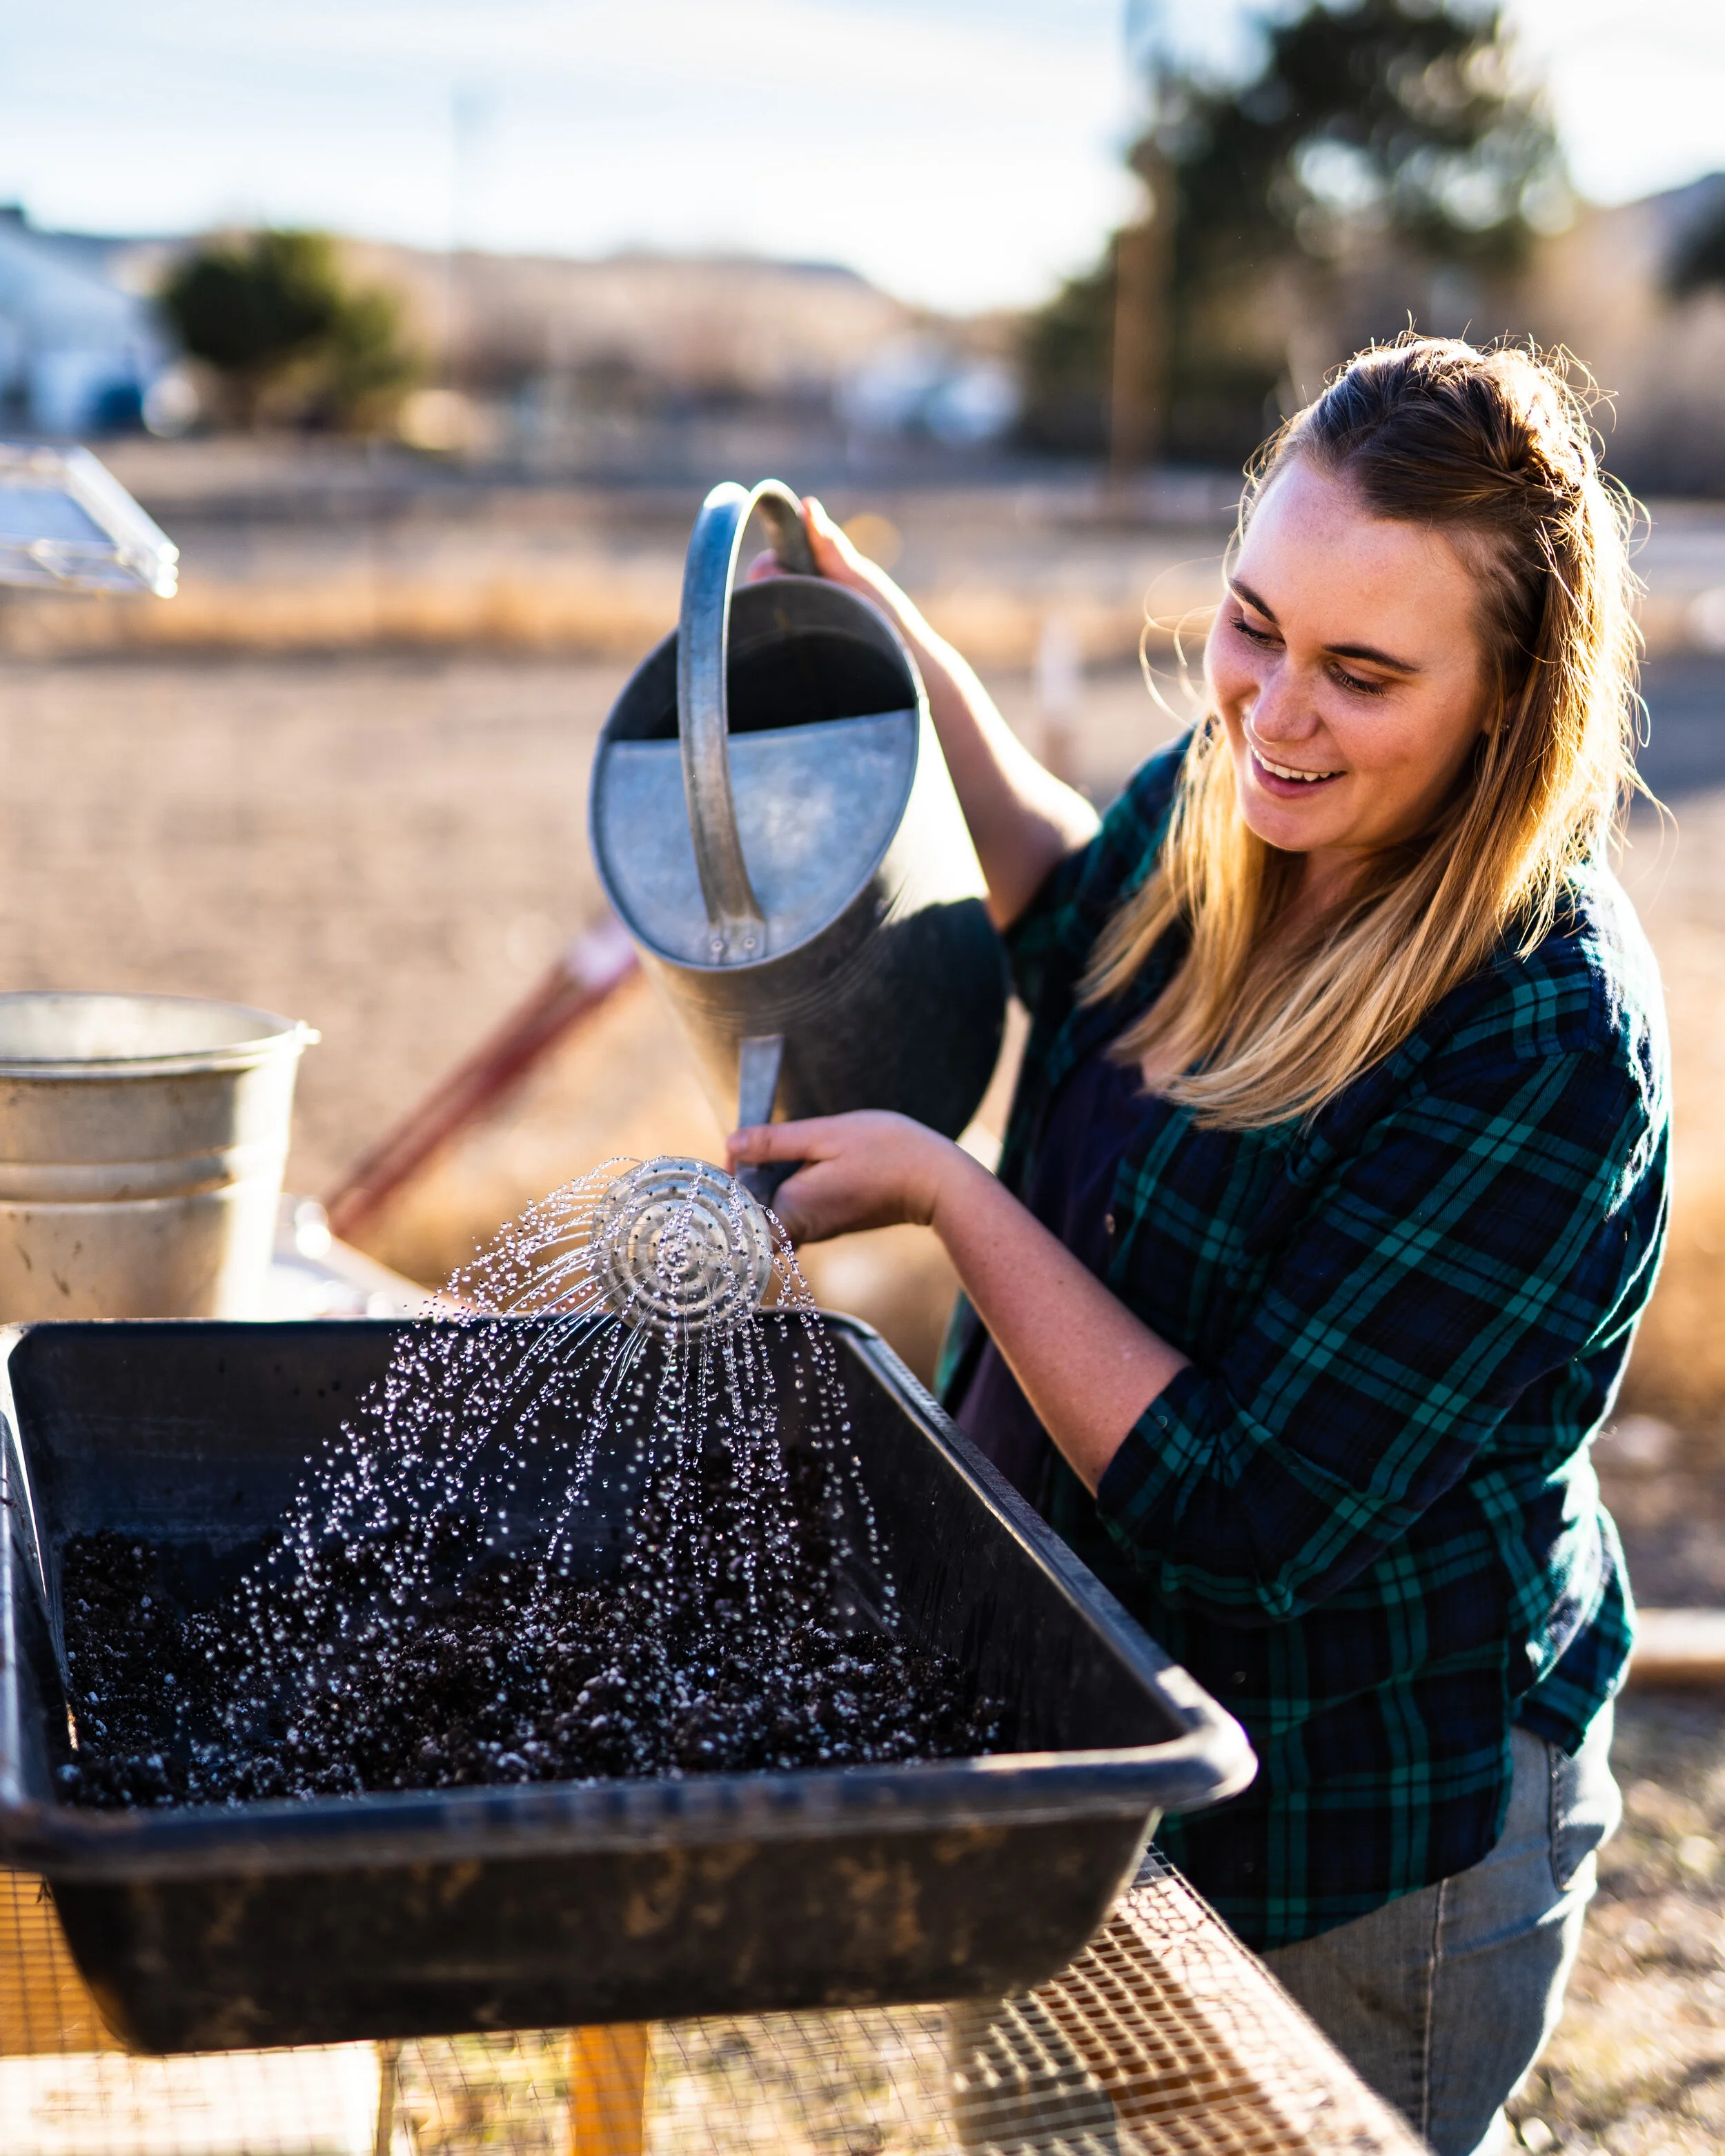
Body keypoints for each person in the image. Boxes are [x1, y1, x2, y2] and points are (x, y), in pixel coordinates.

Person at [729, 336, 1667, 2156]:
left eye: (1362, 672)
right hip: (1082, 1750)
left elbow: (1247, 1512)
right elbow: (1074, 901)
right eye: (1252, 626)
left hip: (1343, 1833)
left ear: (1505, 701)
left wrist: (948, 1194)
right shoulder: (1246, 787)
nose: (1272, 712)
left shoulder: (1537, 1039)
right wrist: (883, 641)